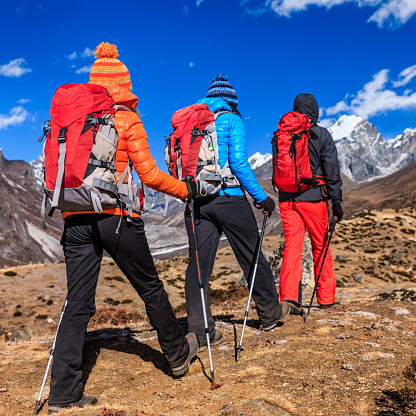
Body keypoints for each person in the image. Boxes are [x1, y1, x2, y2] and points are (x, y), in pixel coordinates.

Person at [47, 42, 198, 414]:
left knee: (77, 302)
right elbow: (148, 174)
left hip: (75, 218)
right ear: (125, 85)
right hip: (116, 217)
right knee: (150, 287)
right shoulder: (126, 119)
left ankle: (63, 394)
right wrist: (186, 190)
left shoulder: (74, 119)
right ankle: (178, 356)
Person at [184, 74, 290, 352]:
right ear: (231, 101)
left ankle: (201, 330)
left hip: (197, 201)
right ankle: (269, 313)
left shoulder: (190, 121)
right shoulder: (231, 120)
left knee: (198, 266)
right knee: (252, 256)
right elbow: (239, 164)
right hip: (229, 198)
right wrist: (261, 198)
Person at [277, 93, 343, 313]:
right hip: (314, 200)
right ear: (316, 112)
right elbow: (332, 171)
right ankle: (326, 299)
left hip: (287, 199)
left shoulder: (282, 133)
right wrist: (337, 202)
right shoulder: (321, 134)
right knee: (320, 247)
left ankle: (288, 300)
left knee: (292, 248)